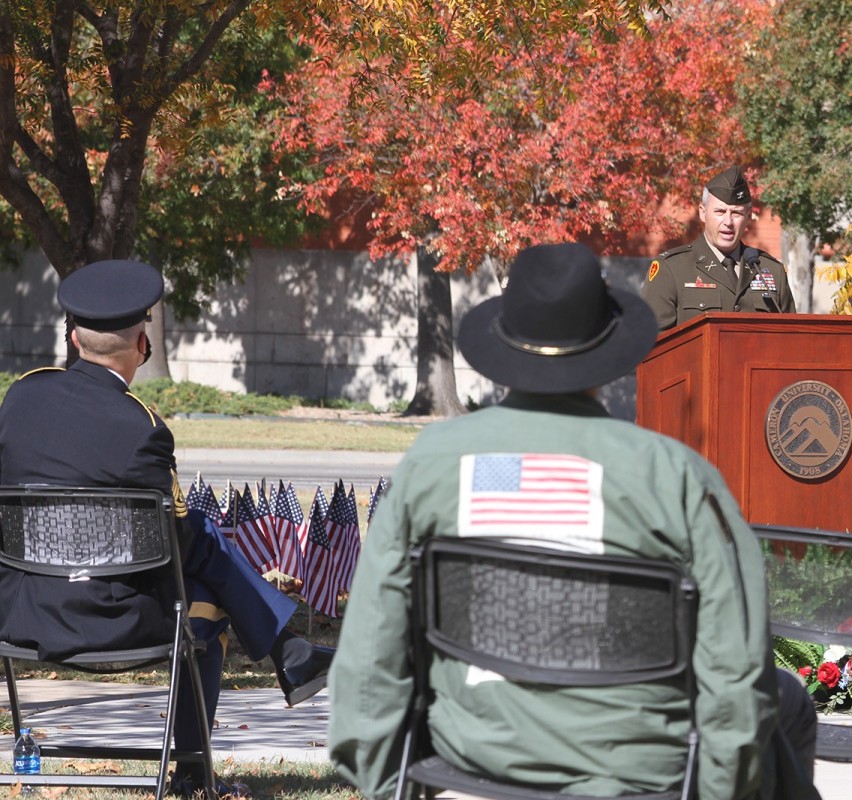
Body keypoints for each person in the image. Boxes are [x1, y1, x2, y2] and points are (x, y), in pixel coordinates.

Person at [329, 242, 819, 800]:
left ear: (503, 342)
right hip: (641, 766)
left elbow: (372, 644)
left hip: (475, 751)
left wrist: (384, 778)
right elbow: (735, 669)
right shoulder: (677, 479)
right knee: (788, 704)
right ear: (609, 349)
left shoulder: (430, 465)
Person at [0, 259, 335, 797]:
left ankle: (289, 652)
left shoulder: (20, 399)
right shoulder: (142, 427)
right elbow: (172, 549)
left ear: (71, 335)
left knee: (201, 543)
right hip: (112, 623)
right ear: (143, 344)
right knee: (204, 592)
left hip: (21, 615)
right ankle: (195, 770)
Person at [641, 166, 796, 331]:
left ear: (749, 216)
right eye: (720, 212)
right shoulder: (672, 269)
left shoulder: (770, 271)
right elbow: (651, 344)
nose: (728, 222)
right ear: (703, 212)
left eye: (736, 213)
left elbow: (791, 339)